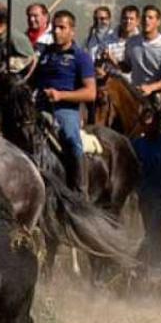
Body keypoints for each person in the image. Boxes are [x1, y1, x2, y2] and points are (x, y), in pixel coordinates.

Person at [31, 10, 96, 190]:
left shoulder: (81, 57)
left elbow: (91, 93)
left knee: (71, 137)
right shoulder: (45, 54)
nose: (57, 32)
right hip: (39, 106)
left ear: (72, 31)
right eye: (54, 28)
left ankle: (80, 189)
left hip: (65, 109)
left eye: (62, 27)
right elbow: (32, 81)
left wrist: (61, 95)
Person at [123, 4, 161, 96]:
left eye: (150, 18)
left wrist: (151, 87)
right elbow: (127, 67)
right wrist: (112, 62)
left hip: (158, 94)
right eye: (144, 17)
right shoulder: (131, 42)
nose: (146, 20)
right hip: (135, 93)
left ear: (158, 22)